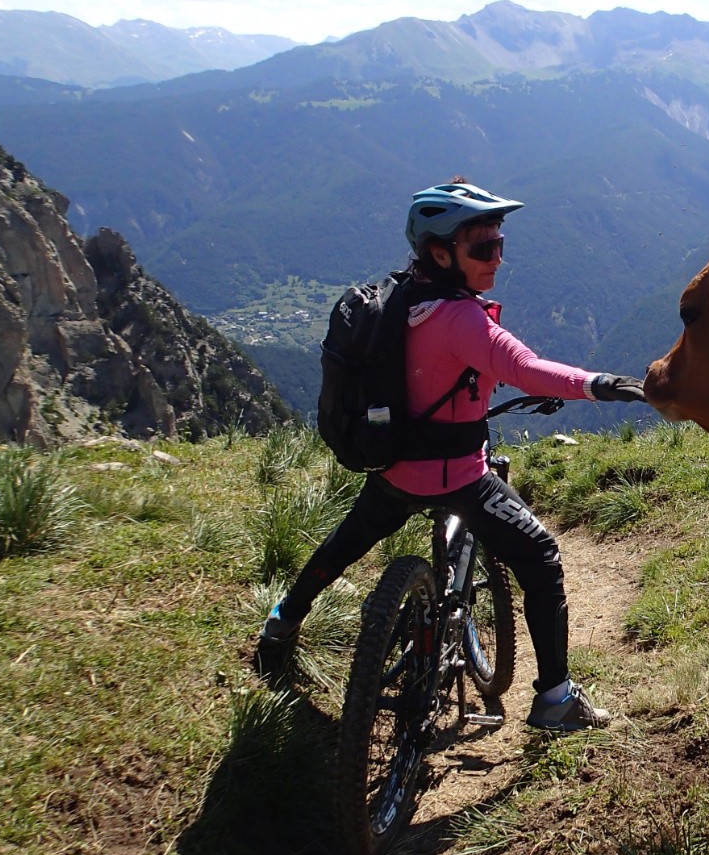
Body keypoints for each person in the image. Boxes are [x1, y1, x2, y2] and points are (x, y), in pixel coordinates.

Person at [256, 179, 646, 731]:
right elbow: (527, 370)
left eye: (499, 244)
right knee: (540, 556)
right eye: (482, 248)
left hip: (393, 467)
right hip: (458, 476)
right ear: (441, 253)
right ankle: (556, 697)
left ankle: (281, 623)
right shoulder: (462, 320)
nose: (496, 259)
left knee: (343, 545)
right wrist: (601, 383)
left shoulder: (399, 299)